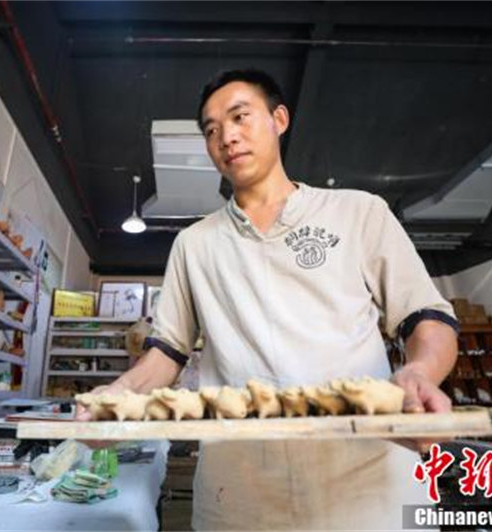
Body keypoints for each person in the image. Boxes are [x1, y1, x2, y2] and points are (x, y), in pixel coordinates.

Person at [78, 69, 459, 530]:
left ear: (279, 119)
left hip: (368, 484)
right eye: (212, 130)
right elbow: (167, 351)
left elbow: (427, 315)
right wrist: (117, 396)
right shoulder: (195, 244)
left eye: (240, 117)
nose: (227, 137)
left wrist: (419, 372)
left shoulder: (358, 212)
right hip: (240, 495)